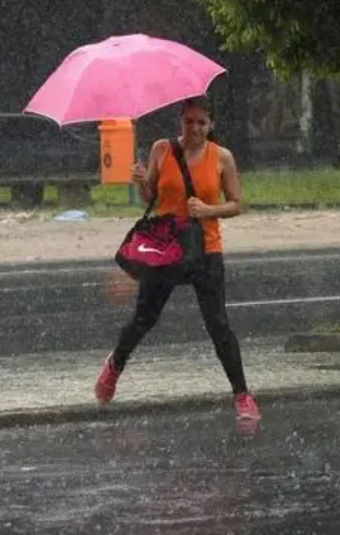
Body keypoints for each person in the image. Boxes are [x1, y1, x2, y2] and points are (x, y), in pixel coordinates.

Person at [94, 95, 260, 421]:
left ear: (210, 125)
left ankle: (242, 395)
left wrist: (209, 210)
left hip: (205, 250)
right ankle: (114, 365)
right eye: (189, 121)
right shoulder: (162, 149)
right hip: (166, 249)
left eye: (202, 122)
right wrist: (142, 183)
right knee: (144, 318)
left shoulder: (221, 157)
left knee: (218, 325)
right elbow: (151, 198)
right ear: (180, 123)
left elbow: (237, 203)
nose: (195, 128)